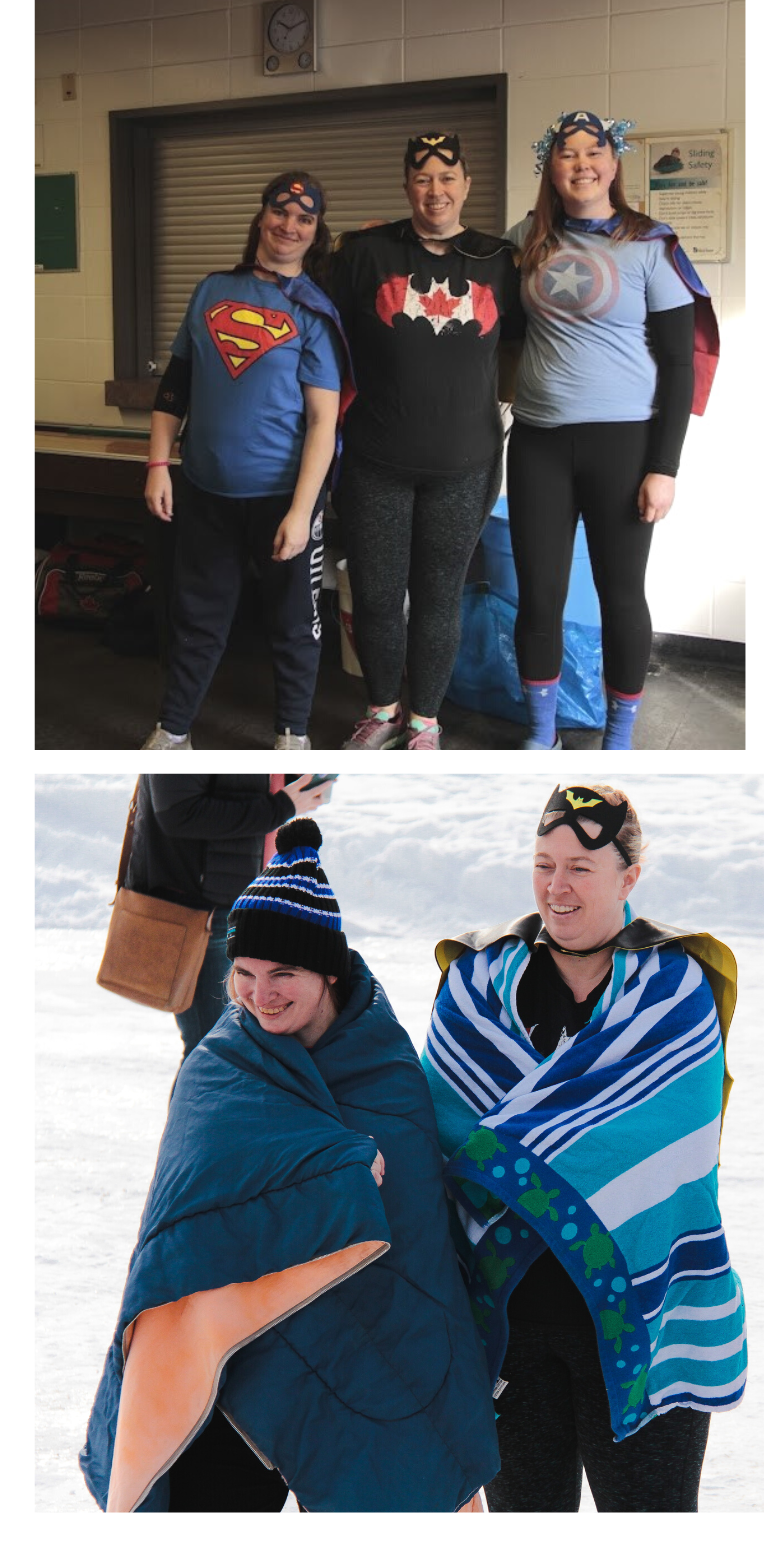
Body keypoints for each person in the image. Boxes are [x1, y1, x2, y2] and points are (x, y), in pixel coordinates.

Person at [81, 821, 499, 1511]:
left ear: (327, 972)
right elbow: (196, 1205)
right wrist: (336, 1175)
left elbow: (415, 1222)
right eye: (243, 975)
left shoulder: (387, 1069)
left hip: (366, 1354)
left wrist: (341, 1177)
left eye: (283, 975)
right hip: (232, 1366)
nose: (259, 995)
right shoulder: (221, 1063)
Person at [422, 784, 745, 1509]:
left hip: (642, 1308)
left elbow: (668, 1142)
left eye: (579, 867)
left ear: (629, 877)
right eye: (543, 864)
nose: (555, 887)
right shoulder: (476, 984)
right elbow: (435, 1125)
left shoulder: (675, 990)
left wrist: (506, 1151)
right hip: (509, 1319)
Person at [504, 112, 720, 750]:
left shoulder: (650, 242)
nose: (581, 165)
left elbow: (681, 363)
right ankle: (539, 735)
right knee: (538, 597)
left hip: (624, 446)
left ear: (614, 162)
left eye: (593, 152)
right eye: (566, 154)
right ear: (551, 167)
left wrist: (666, 466)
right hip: (539, 442)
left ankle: (619, 736)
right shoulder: (527, 238)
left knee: (620, 594)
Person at [142, 172, 353, 750]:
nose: (290, 224)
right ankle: (175, 729)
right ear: (262, 216)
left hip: (281, 499)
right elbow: (175, 388)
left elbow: (323, 423)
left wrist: (302, 511)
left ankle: (293, 734)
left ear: (316, 234)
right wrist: (158, 464)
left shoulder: (314, 311)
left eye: (304, 218)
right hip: (206, 493)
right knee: (197, 620)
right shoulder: (211, 289)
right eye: (281, 210)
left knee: (293, 626)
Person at [327, 132, 521, 751]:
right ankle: (383, 709)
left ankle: (425, 721)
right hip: (376, 460)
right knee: (379, 594)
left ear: (466, 184)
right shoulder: (365, 254)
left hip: (464, 465)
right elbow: (320, 331)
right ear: (406, 187)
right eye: (421, 179)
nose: (435, 191)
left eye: (447, 177)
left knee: (439, 597)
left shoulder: (499, 261)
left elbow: (530, 340)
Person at [124, 772, 334, 1056]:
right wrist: (281, 808)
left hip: (240, 901)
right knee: (211, 1048)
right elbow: (178, 812)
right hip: (199, 911)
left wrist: (299, 780)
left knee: (226, 1046)